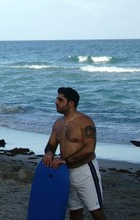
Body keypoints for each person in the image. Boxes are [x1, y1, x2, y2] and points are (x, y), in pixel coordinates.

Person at [42, 87, 106, 220]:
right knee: (74, 211)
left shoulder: (85, 122)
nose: (56, 102)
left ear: (71, 103)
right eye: (56, 99)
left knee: (96, 211)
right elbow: (51, 145)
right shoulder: (58, 124)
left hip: (85, 171)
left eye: (60, 99)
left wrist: (66, 160)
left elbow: (89, 149)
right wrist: (49, 153)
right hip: (66, 172)